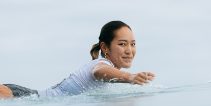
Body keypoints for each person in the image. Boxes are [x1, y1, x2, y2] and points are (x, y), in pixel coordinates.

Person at [0, 20, 155, 99]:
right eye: (122, 44)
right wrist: (130, 77)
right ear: (105, 47)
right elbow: (99, 72)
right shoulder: (102, 64)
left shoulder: (108, 71)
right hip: (21, 95)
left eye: (132, 44)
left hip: (27, 94)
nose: (129, 50)